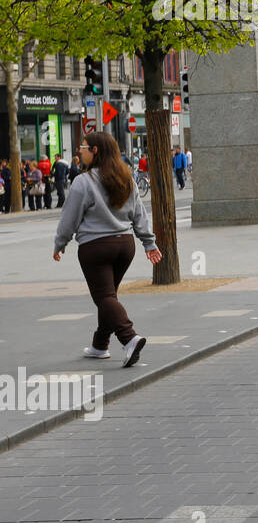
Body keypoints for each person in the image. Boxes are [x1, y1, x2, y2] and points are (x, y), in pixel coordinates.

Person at [54, 130, 161, 367]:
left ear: (95, 151)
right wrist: (148, 243)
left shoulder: (84, 181)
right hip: (125, 245)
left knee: (104, 297)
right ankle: (100, 345)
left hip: (96, 248)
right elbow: (139, 214)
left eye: (83, 148)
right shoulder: (126, 177)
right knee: (108, 297)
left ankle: (129, 337)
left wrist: (60, 243)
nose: (79, 152)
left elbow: (69, 219)